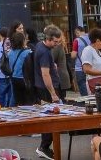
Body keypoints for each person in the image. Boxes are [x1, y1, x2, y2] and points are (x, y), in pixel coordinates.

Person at [35, 25, 63, 160]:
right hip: (46, 89)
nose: (57, 44)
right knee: (51, 119)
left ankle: (45, 146)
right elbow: (45, 74)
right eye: (56, 41)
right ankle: (44, 147)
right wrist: (53, 93)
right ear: (49, 39)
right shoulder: (45, 52)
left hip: (43, 87)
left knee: (48, 117)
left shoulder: (40, 46)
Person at [9, 32, 33, 105]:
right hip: (24, 79)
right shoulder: (28, 52)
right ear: (22, 41)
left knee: (18, 101)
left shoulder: (10, 52)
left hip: (13, 78)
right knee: (27, 101)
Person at [71, 25, 91, 95]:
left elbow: (73, 55)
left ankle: (86, 102)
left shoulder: (77, 40)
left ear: (77, 32)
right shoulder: (90, 38)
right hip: (91, 66)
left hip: (80, 67)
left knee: (82, 85)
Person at [51, 34, 72, 100]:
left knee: (59, 100)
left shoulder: (57, 47)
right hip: (63, 76)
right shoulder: (61, 46)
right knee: (62, 98)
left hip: (59, 77)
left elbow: (51, 59)